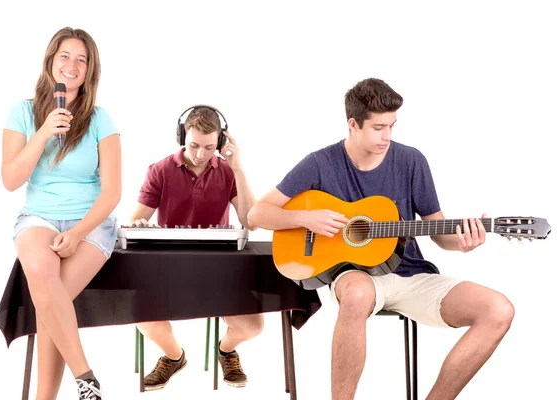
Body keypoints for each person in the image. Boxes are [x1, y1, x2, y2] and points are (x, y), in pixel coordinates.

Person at [247, 78, 515, 400]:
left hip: (413, 275)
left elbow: (438, 231)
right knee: (358, 294)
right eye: (378, 127)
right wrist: (306, 218)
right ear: (353, 124)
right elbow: (257, 214)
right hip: (356, 276)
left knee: (499, 310)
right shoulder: (320, 163)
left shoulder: (411, 160)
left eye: (392, 126)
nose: (387, 136)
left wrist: (463, 242)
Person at [1, 27, 121, 400]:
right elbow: (10, 179)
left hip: (92, 222)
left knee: (50, 301)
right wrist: (42, 133)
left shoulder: (101, 119)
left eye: (81, 60)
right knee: (41, 276)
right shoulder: (22, 112)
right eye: (65, 56)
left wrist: (80, 232)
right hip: (39, 217)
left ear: (89, 71)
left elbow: (112, 192)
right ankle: (86, 377)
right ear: (51, 61)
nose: (72, 65)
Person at [129, 105, 263, 391]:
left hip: (219, 269)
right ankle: (174, 356)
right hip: (169, 266)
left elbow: (250, 222)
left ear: (221, 143)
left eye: (209, 147)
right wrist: (139, 224)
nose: (201, 154)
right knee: (139, 313)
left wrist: (238, 169)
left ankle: (225, 350)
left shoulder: (228, 172)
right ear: (182, 137)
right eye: (193, 145)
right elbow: (137, 218)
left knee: (253, 326)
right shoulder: (160, 170)